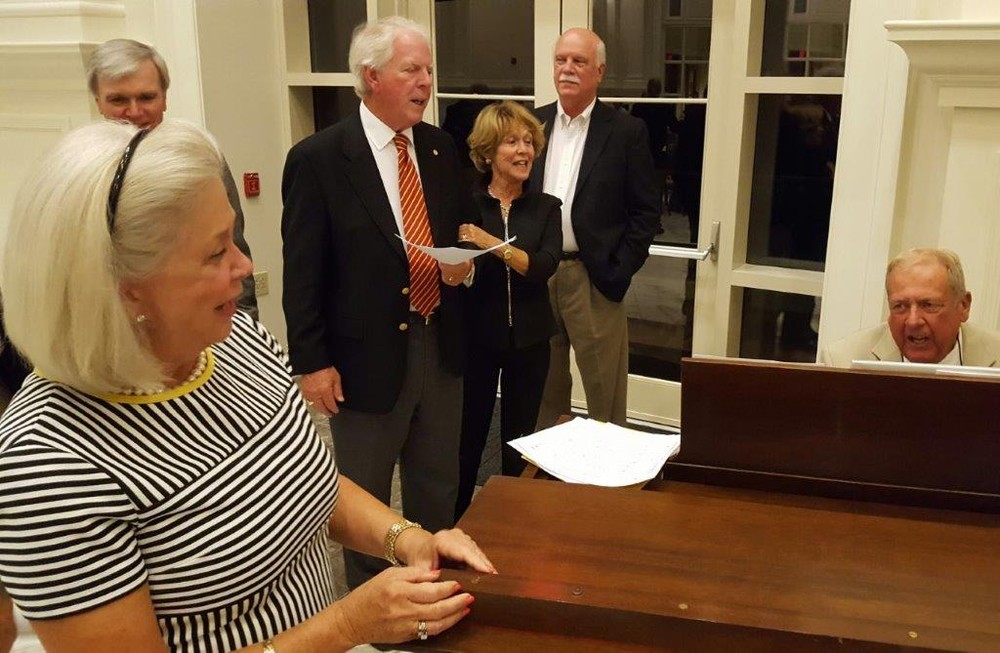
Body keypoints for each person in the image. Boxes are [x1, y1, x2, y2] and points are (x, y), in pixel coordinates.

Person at [0, 119, 495, 653]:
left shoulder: (237, 341)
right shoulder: (47, 463)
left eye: (233, 239)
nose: (245, 266)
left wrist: (407, 538)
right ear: (124, 288)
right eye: (216, 253)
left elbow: (304, 481)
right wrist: (347, 627)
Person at [281, 17, 476, 590]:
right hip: (363, 356)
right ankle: (372, 603)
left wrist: (463, 266)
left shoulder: (439, 148)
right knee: (365, 494)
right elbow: (303, 272)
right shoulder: (319, 158)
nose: (426, 82)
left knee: (437, 481)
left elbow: (460, 233)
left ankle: (433, 589)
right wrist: (312, 362)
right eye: (412, 70)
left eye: (429, 70)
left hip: (441, 343)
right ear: (371, 76)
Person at [529, 28, 661, 428]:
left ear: (599, 71)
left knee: (605, 400)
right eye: (560, 60)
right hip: (538, 276)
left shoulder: (625, 131)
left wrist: (618, 271)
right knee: (543, 392)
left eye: (579, 61)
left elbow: (646, 212)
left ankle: (607, 468)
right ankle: (547, 464)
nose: (567, 69)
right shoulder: (533, 123)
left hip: (594, 279)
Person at [87, 38, 258, 319]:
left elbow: (233, 249)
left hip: (201, 324)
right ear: (98, 103)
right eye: (119, 100)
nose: (134, 112)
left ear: (165, 99)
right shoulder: (83, 174)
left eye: (146, 97)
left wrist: (245, 325)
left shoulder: (201, 160)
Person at [453, 101, 562, 519]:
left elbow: (542, 267)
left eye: (529, 142)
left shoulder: (546, 207)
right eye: (512, 142)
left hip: (530, 342)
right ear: (487, 152)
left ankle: (512, 527)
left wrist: (489, 243)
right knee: (468, 441)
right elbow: (461, 268)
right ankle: (455, 523)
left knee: (519, 443)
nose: (524, 151)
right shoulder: (465, 204)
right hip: (476, 341)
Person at [820, 248, 1000, 367]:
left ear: (963, 306)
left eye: (928, 305)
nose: (913, 321)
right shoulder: (842, 362)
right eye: (900, 306)